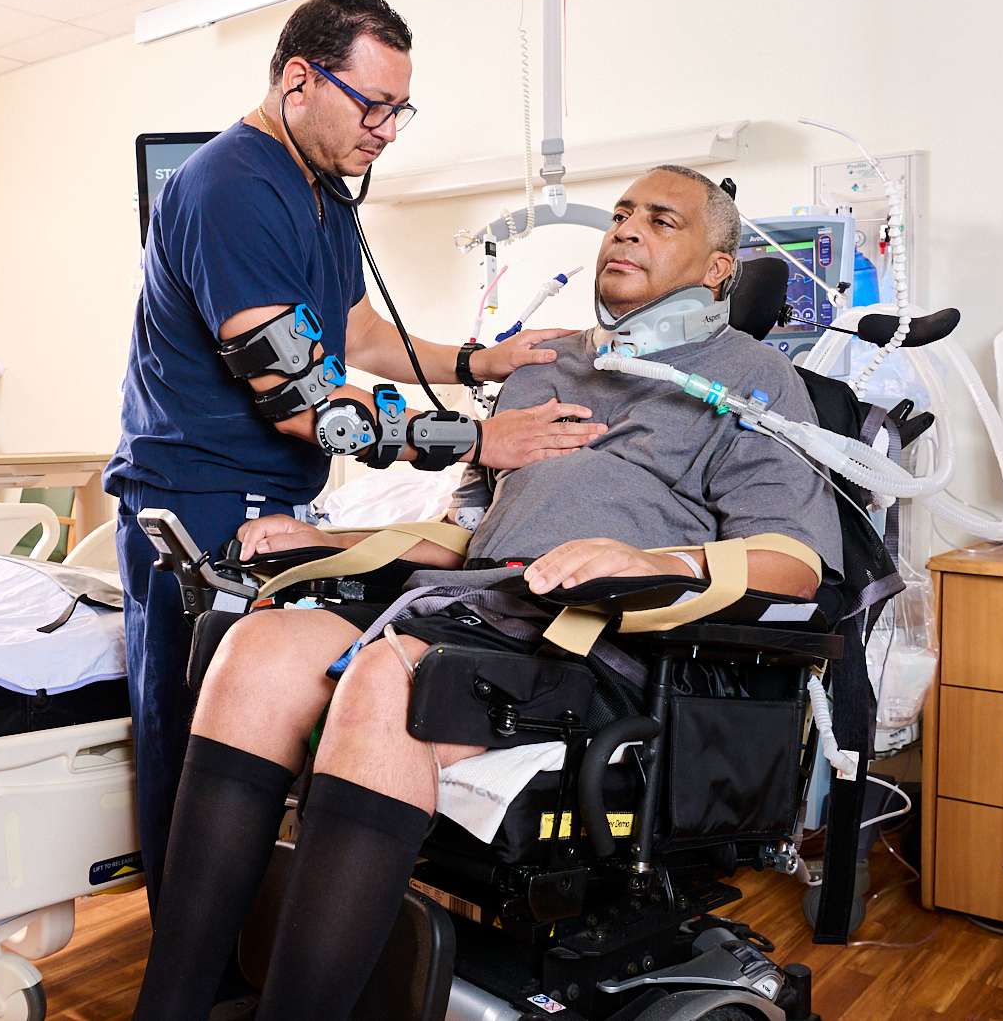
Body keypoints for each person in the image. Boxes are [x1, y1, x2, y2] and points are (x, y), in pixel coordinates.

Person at [132, 164, 844, 1021]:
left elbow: (794, 560)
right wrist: (329, 540)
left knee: (391, 678)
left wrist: (653, 559)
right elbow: (463, 531)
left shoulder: (754, 378)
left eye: (661, 220)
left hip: (601, 638)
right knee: (257, 649)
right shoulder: (548, 364)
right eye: (621, 213)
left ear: (718, 268)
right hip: (472, 606)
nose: (624, 229)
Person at [104, 0, 607, 919]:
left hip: (267, 501)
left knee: (256, 734)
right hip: (201, 501)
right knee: (197, 741)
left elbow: (353, 328)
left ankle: (252, 943)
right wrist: (481, 436)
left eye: (398, 109)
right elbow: (304, 403)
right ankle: (193, 964)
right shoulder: (230, 187)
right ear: (298, 80)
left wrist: (475, 360)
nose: (386, 129)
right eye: (371, 104)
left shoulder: (317, 188)